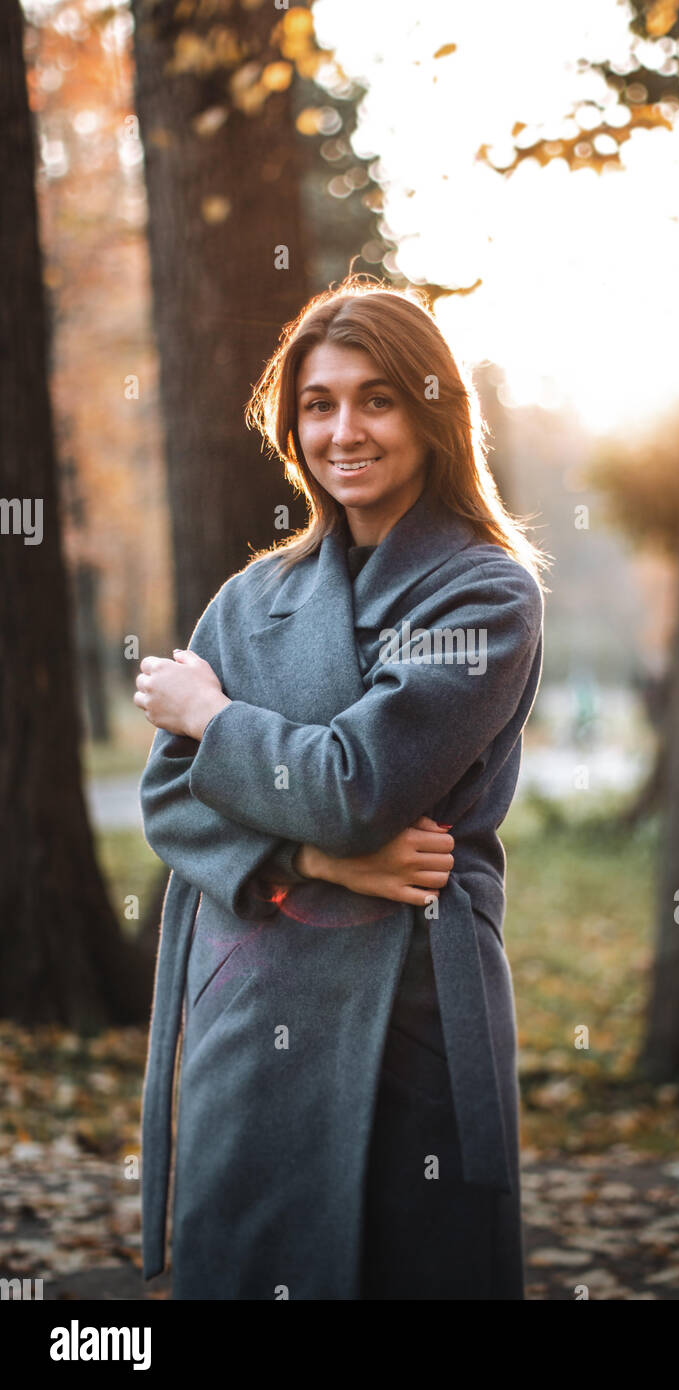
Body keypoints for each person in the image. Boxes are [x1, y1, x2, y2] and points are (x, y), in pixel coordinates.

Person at [134, 277, 548, 1300]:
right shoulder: (250, 598)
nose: (343, 429)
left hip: (409, 1006)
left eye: (376, 398)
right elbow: (170, 803)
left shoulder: (485, 591)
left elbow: (358, 783)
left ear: (431, 409)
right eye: (318, 404)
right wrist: (311, 856)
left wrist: (211, 719)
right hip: (248, 1002)